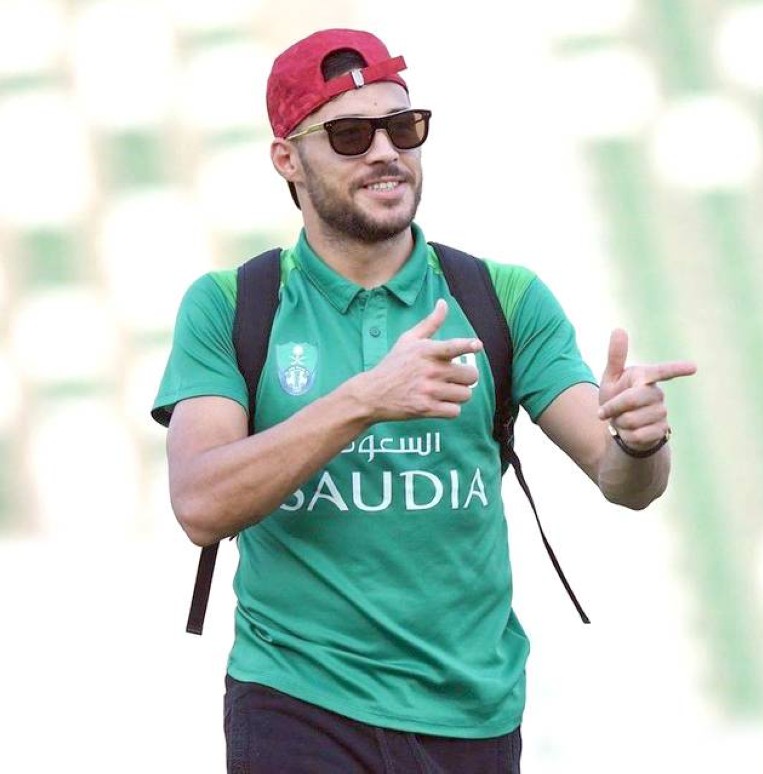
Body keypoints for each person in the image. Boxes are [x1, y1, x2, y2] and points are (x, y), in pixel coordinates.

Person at [152, 28, 697, 773]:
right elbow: (200, 505)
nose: (385, 152)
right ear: (287, 158)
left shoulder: (504, 297)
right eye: (349, 135)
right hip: (295, 700)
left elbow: (624, 482)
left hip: (472, 711)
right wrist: (364, 400)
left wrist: (640, 440)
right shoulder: (231, 305)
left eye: (403, 128)